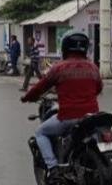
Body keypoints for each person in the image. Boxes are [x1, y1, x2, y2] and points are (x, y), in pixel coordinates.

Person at [21, 31, 102, 175]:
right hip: (92, 117)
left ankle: (53, 167)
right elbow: (98, 88)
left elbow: (41, 86)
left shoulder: (59, 68)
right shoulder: (93, 67)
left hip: (68, 117)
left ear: (65, 48)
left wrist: (27, 97)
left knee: (40, 132)